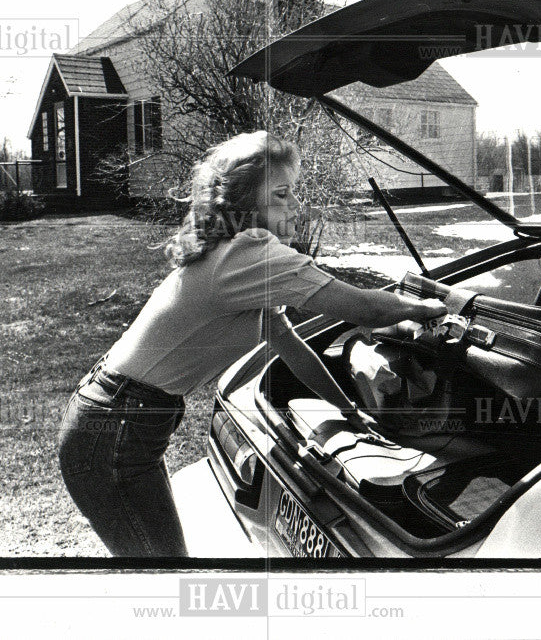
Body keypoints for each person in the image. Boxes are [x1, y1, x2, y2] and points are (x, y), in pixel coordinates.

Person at [56, 131, 447, 557]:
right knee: (164, 577)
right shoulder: (250, 254)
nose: (296, 205)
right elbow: (364, 309)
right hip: (117, 430)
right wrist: (429, 308)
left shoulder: (234, 256)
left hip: (116, 420)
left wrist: (351, 411)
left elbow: (291, 347)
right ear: (246, 206)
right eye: (282, 194)